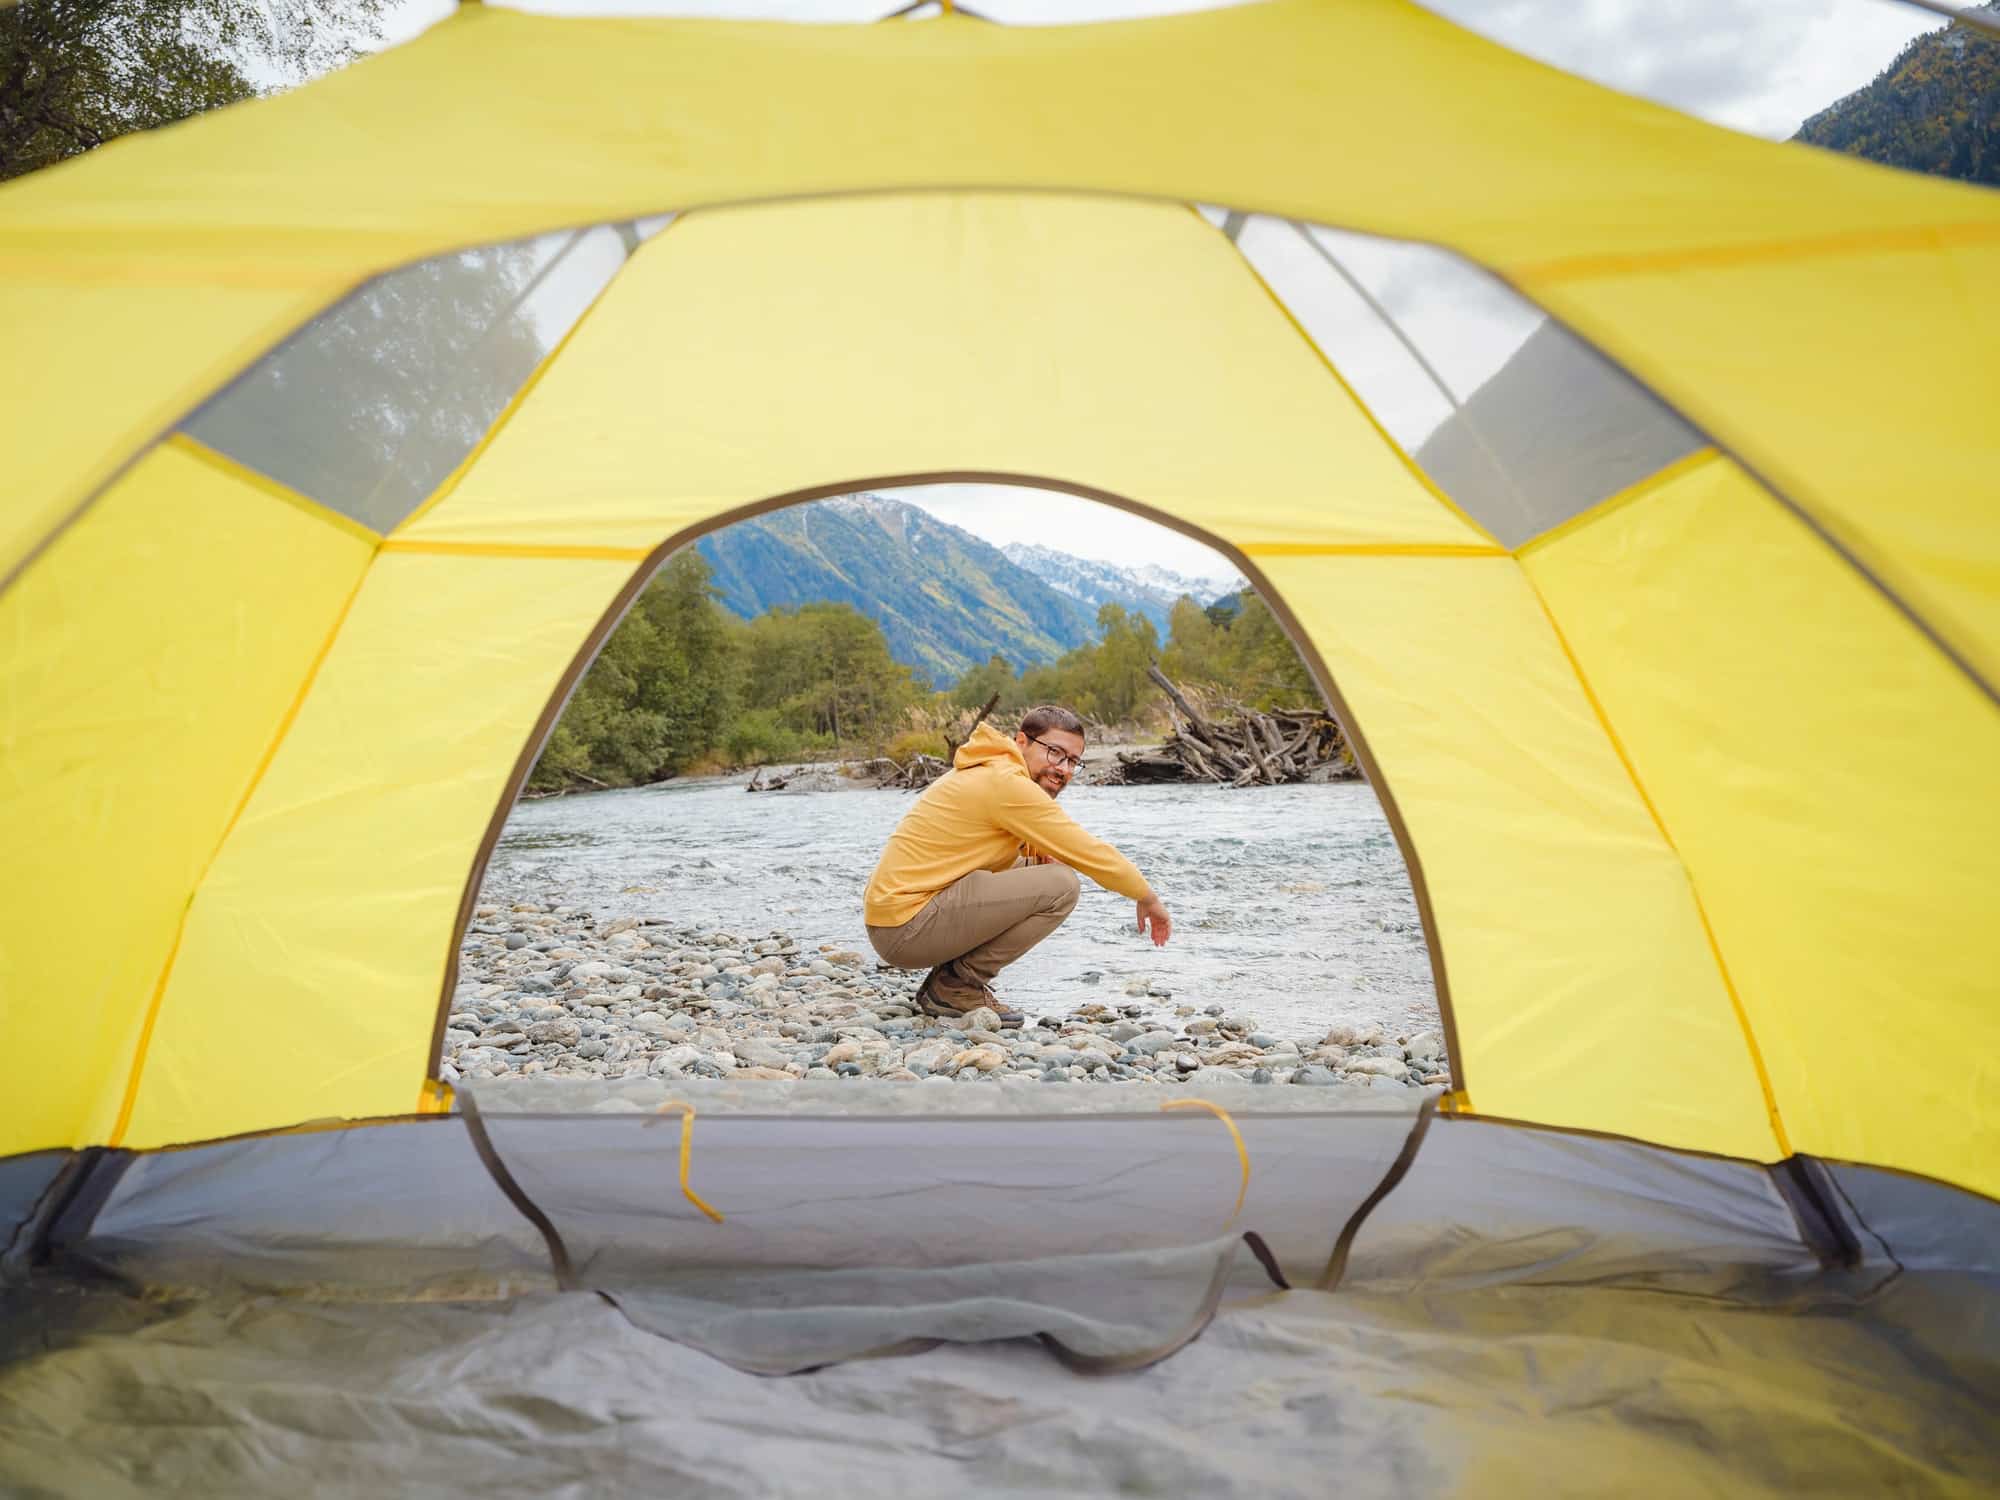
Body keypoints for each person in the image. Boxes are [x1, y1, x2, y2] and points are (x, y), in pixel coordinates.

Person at [863, 704, 1172, 1028]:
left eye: (1072, 761)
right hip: (904, 927)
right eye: (1055, 753)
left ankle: (952, 982)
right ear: (1022, 741)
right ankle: (958, 985)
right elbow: (1086, 849)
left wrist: (1037, 854)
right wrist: (1146, 897)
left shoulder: (993, 771)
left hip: (896, 919)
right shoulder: (1006, 783)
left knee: (1036, 868)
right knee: (1061, 886)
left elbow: (999, 841)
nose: (1063, 769)